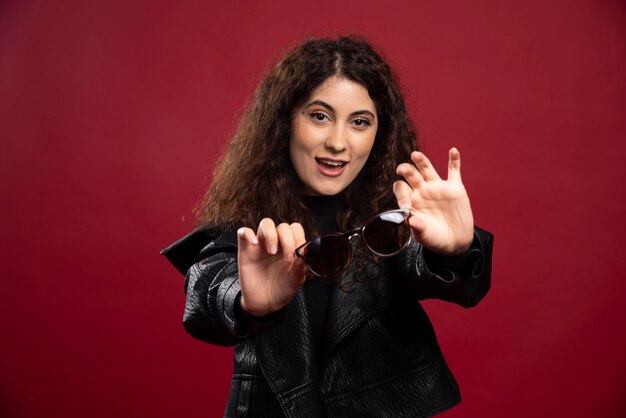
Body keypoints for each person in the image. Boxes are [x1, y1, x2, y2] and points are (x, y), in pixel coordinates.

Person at [162, 36, 493, 418]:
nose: (338, 142)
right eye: (319, 116)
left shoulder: (395, 217)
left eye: (359, 122)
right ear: (284, 121)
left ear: (378, 133)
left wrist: (454, 251)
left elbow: (451, 280)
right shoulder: (249, 220)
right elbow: (206, 289)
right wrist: (246, 301)